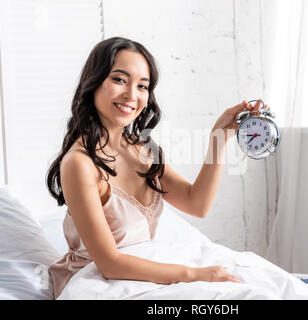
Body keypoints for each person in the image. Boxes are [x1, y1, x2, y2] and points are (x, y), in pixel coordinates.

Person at [46, 36, 264, 299]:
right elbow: (109, 263)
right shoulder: (79, 164)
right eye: (119, 80)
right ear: (94, 82)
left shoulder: (143, 147)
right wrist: (195, 274)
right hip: (100, 280)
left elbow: (197, 204)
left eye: (142, 86)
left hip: (142, 272)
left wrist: (219, 137)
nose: (131, 95)